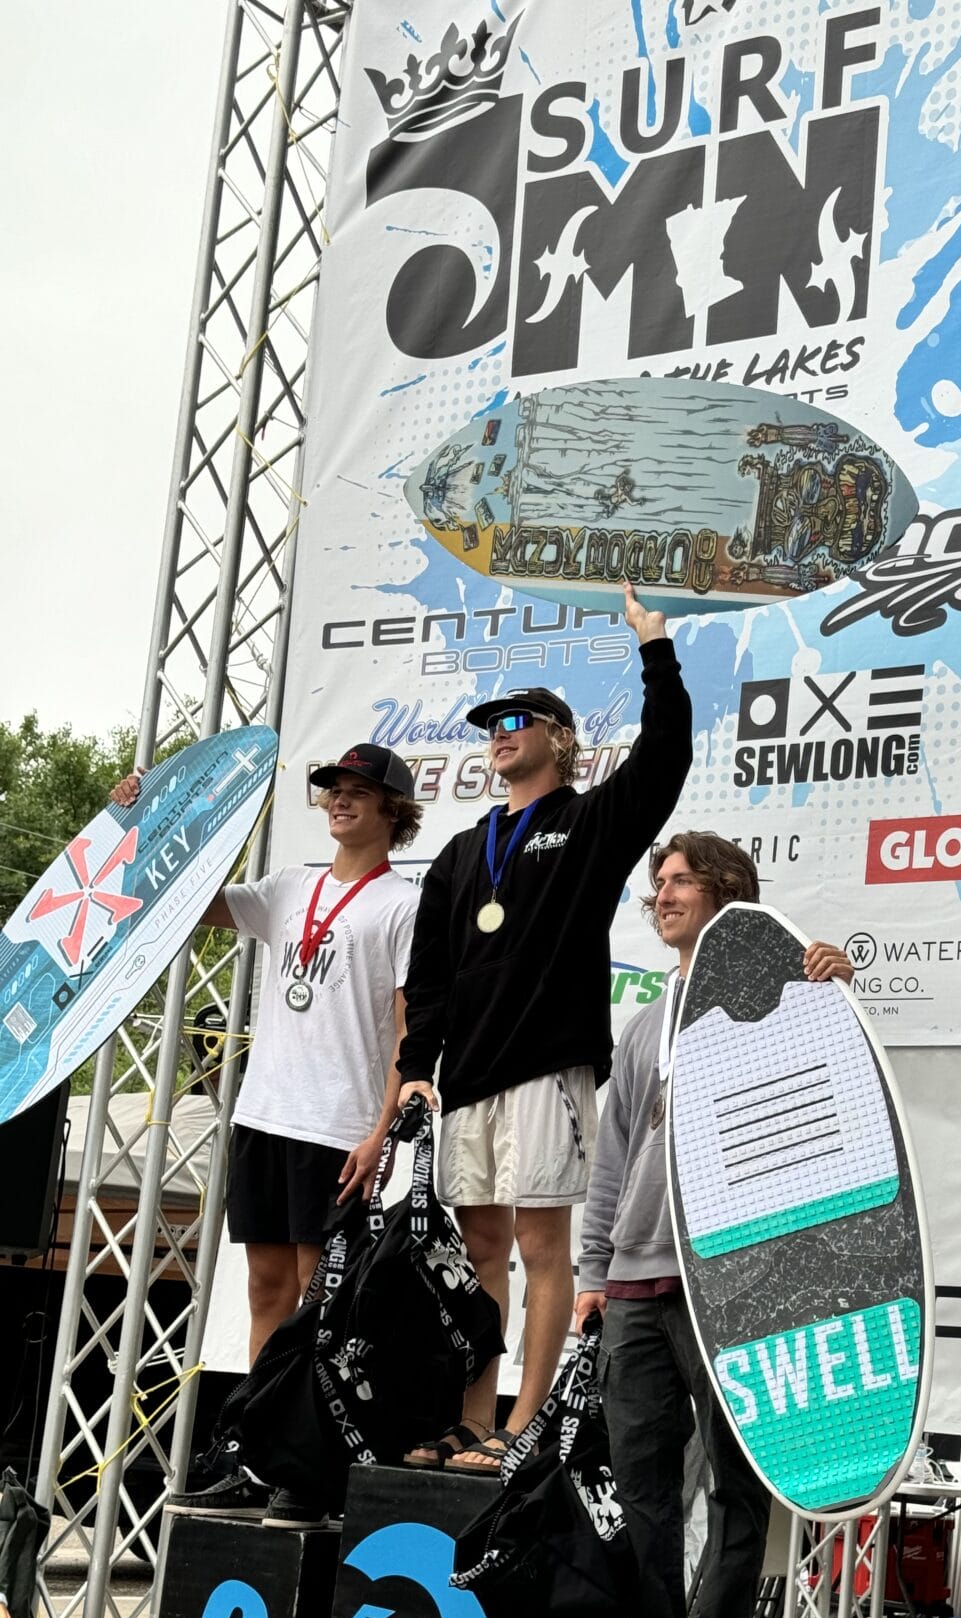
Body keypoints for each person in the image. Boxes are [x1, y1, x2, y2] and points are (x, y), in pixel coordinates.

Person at [397, 582, 692, 1470]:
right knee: (479, 1246)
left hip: (548, 1065)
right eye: (494, 720)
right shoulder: (459, 851)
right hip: (471, 1077)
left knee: (539, 1243)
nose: (502, 730)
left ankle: (527, 1423)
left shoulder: (588, 821)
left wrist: (656, 650)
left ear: (558, 739)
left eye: (521, 718)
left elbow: (665, 761)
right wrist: (418, 1066)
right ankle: (474, 1418)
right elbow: (431, 976)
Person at [110, 743, 424, 1523]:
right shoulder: (290, 888)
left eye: (358, 791)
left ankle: (306, 1468)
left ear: (393, 811)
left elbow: (407, 1032)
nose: (340, 801)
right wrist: (140, 821)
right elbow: (189, 899)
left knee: (319, 1305)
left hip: (339, 1125)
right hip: (262, 1115)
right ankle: (257, 1455)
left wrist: (381, 1133)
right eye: (331, 791)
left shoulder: (403, 905)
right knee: (263, 1291)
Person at [574, 833, 852, 1618]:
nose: (661, 895)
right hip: (636, 1276)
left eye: (680, 881)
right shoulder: (646, 1023)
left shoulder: (782, 998)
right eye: (656, 881)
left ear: (728, 894)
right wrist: (593, 1273)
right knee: (639, 1470)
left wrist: (834, 994)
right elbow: (613, 1157)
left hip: (733, 1275)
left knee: (735, 1466)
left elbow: (834, 1102)